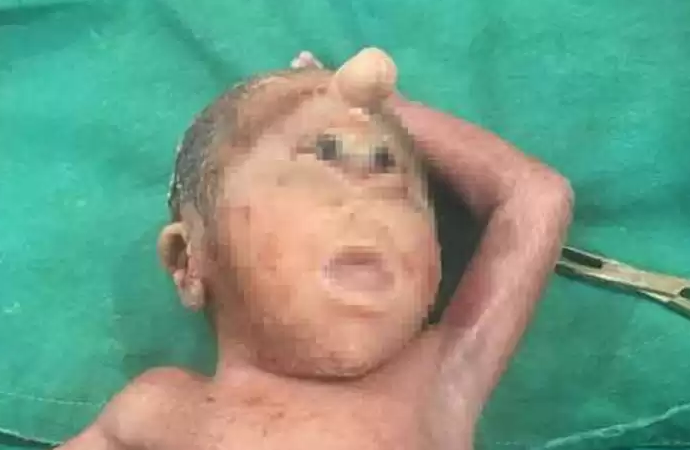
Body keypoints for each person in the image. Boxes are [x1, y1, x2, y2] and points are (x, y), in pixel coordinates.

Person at [57, 48, 573, 450]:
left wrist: (387, 110)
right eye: (323, 156)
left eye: (387, 167)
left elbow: (536, 197)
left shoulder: (442, 380)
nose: (365, 195)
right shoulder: (159, 409)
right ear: (188, 260)